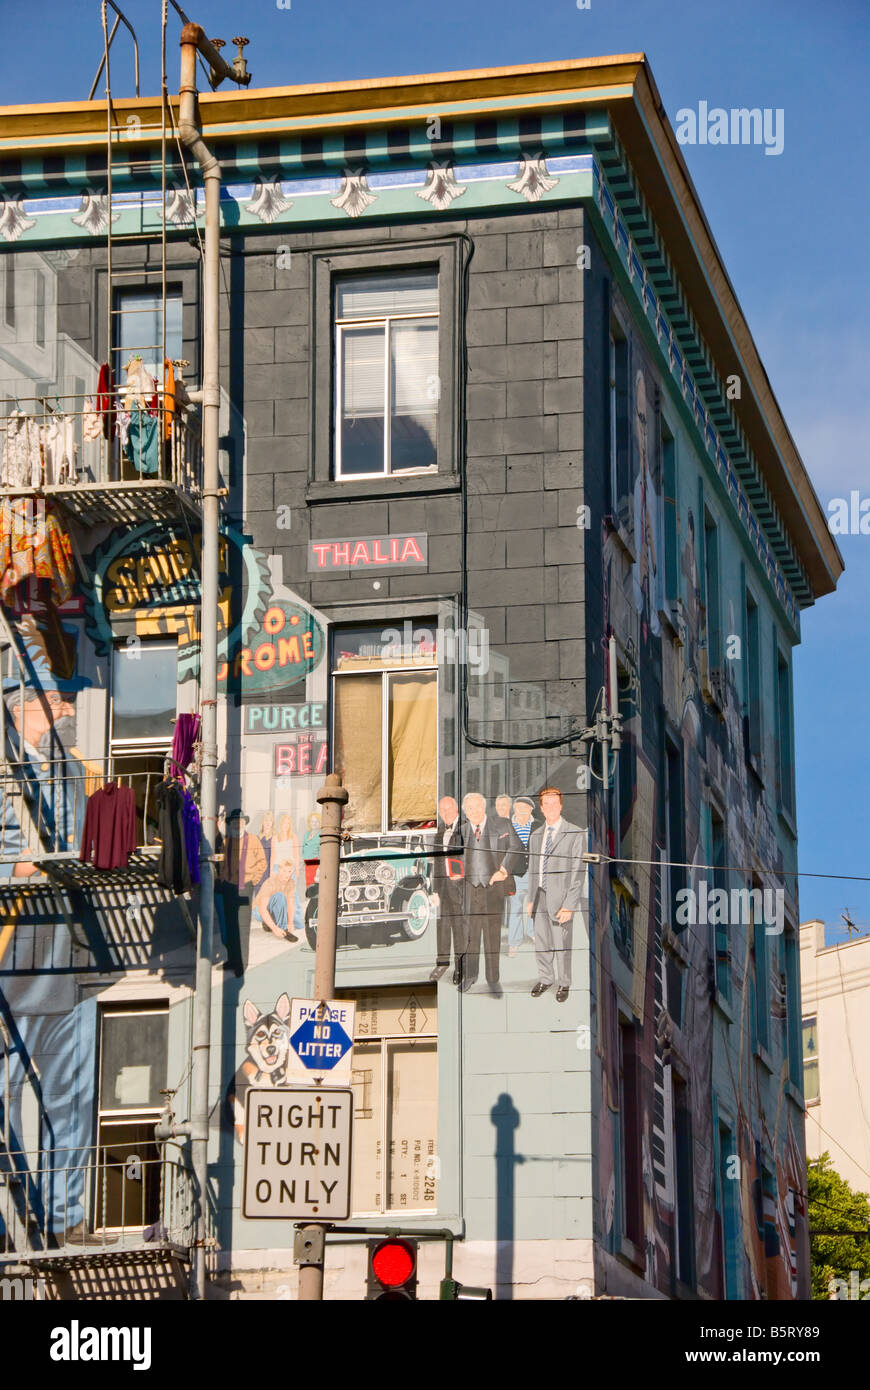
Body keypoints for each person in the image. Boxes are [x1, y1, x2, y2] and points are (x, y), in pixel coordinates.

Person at [460, 792, 526, 996]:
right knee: (470, 936)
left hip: (492, 889)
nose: (474, 811)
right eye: (469, 808)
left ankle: (493, 980)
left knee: (492, 937)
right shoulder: (461, 831)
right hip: (469, 890)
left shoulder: (502, 825)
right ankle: (470, 976)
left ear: (484, 806)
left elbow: (517, 847)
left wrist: (503, 871)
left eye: (477, 807)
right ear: (465, 812)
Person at [525, 788, 586, 1003]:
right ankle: (546, 978)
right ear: (541, 809)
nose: (550, 808)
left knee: (562, 944)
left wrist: (569, 905)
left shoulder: (575, 834)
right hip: (540, 896)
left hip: (561, 899)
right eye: (546, 804)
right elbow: (533, 868)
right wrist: (530, 899)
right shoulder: (535, 836)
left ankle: (564, 983)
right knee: (541, 943)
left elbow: (578, 872)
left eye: (554, 804)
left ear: (561, 806)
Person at [215, 810, 266, 975]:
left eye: (240, 821)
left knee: (242, 926)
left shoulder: (253, 840)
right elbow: (221, 863)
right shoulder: (226, 841)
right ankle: (232, 960)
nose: (237, 824)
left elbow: (262, 862)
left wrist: (254, 880)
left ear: (245, 823)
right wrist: (222, 878)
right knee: (230, 925)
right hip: (229, 887)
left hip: (245, 887)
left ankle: (242, 965)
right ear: (230, 824)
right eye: (234, 822)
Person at [429, 795, 465, 984]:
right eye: (442, 811)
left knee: (459, 928)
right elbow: (436, 862)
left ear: (456, 809)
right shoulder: (439, 832)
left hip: (460, 888)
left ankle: (460, 966)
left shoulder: (465, 828)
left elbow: (472, 857)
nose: (446, 814)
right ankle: (442, 963)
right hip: (442, 888)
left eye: (449, 809)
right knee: (442, 927)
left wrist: (463, 876)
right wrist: (435, 891)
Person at [507, 795, 536, 955]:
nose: (522, 811)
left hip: (533, 875)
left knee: (535, 906)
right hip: (515, 876)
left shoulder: (538, 825)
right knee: (516, 908)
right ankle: (514, 942)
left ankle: (533, 934)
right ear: (514, 809)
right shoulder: (508, 826)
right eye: (519, 808)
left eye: (525, 808)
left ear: (531, 810)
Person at [252, 860, 299, 943]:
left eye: (289, 871)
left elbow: (291, 904)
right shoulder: (270, 883)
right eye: (284, 871)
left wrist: (290, 922)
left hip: (271, 909)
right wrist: (275, 928)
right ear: (279, 870)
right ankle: (283, 930)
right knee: (280, 896)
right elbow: (262, 909)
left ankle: (268, 924)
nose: (287, 874)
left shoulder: (291, 882)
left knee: (296, 921)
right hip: (258, 911)